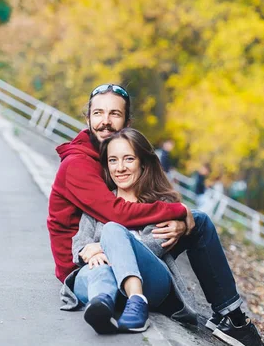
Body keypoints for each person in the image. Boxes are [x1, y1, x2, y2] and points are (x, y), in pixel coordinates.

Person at [48, 83, 264, 346]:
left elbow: (133, 219)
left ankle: (231, 317)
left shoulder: (108, 162)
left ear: (127, 123)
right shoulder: (80, 165)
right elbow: (113, 215)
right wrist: (176, 212)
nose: (105, 121)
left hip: (128, 250)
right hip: (84, 265)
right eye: (98, 113)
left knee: (197, 222)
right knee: (160, 226)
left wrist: (176, 218)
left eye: (114, 114)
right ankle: (104, 303)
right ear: (88, 118)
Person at [63, 128, 197, 334]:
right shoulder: (100, 202)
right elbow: (79, 247)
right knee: (98, 269)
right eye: (113, 161)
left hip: (150, 282)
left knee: (111, 229)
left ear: (142, 162)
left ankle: (137, 301)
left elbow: (156, 246)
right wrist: (89, 253)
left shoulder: (161, 204)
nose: (120, 168)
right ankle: (101, 306)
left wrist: (105, 246)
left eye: (128, 159)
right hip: (98, 280)